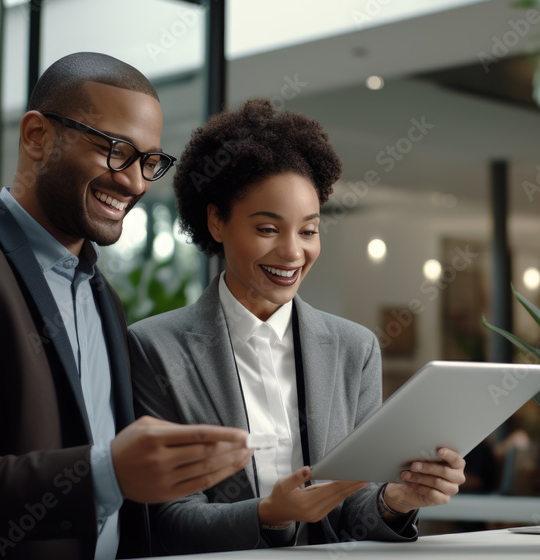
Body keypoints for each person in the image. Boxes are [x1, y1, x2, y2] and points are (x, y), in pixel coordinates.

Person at [0, 52, 252, 560]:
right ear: (36, 137)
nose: (135, 182)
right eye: (116, 149)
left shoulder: (104, 297)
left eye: (149, 161)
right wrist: (105, 475)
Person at [128, 99, 466, 555]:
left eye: (308, 231)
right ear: (217, 221)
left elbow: (353, 513)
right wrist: (270, 514)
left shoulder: (354, 349)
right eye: (268, 228)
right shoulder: (155, 348)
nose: (292, 253)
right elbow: (165, 521)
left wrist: (396, 500)